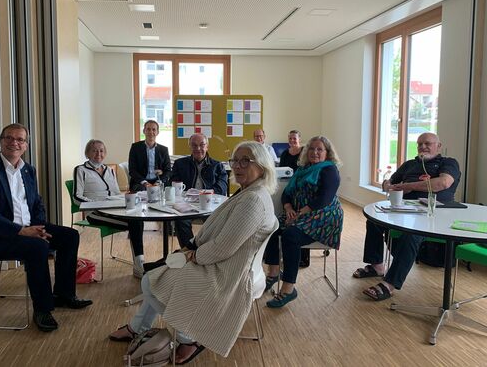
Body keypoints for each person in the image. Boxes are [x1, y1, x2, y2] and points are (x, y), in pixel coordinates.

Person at [109, 141, 277, 363]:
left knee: (150, 281)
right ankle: (137, 326)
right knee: (160, 273)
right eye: (235, 160)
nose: (237, 166)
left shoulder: (253, 200)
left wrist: (194, 255)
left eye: (245, 161)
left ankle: (189, 339)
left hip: (229, 271)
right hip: (229, 261)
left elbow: (223, 247)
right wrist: (190, 247)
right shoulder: (250, 192)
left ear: (262, 167)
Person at [0, 123, 92, 332]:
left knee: (70, 236)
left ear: (26, 145)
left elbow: (36, 203)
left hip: (29, 227)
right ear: (1, 141)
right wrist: (21, 231)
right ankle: (43, 309)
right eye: (9, 138)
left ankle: (64, 294)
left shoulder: (28, 170)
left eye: (20, 139)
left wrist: (39, 227)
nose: (14, 143)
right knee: (38, 247)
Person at [354, 132, 460, 301]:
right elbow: (388, 183)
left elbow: (442, 183)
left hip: (434, 214)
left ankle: (389, 284)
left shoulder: (448, 163)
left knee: (412, 234)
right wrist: (388, 185)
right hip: (405, 210)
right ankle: (377, 266)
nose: (423, 147)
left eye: (427, 143)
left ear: (438, 146)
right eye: (419, 144)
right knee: (374, 220)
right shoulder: (409, 164)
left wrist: (408, 186)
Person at [264, 136, 343, 308]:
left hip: (323, 217)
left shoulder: (330, 170)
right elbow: (287, 193)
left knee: (290, 236)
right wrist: (288, 208)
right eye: (312, 148)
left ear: (327, 153)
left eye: (320, 149)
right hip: (299, 214)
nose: (315, 152)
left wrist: (299, 214)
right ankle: (274, 273)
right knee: (271, 226)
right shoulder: (302, 169)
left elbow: (324, 199)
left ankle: (288, 289)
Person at [73, 139, 145, 278]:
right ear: (87, 153)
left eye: (101, 151)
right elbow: (77, 197)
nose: (98, 154)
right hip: (95, 213)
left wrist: (128, 199)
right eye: (94, 151)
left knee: (137, 220)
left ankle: (139, 263)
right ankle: (139, 264)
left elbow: (116, 193)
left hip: (114, 210)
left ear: (105, 153)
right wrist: (97, 204)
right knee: (135, 224)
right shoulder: (81, 170)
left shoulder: (109, 170)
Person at [170, 133, 228, 248]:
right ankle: (189, 251)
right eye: (194, 145)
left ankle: (207, 251)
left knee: (214, 222)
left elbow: (221, 189)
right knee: (180, 221)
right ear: (190, 147)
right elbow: (173, 185)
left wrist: (204, 194)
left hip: (208, 203)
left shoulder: (217, 166)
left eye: (202, 145)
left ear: (207, 146)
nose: (198, 148)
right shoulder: (180, 164)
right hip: (186, 204)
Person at [128, 120, 171, 192]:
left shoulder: (164, 150)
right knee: (141, 189)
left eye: (154, 129)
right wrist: (145, 182)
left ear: (157, 132)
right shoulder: (135, 147)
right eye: (148, 129)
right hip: (141, 182)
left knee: (169, 190)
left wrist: (158, 182)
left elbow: (168, 171)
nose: (151, 132)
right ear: (144, 131)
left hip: (158, 181)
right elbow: (132, 170)